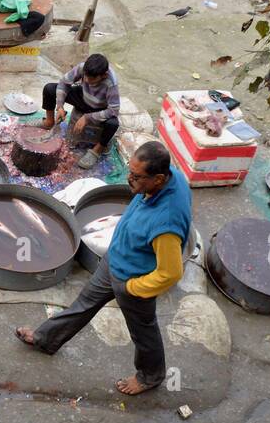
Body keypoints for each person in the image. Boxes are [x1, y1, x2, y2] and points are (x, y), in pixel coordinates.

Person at [16, 141, 191, 396]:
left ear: (159, 178)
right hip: (114, 259)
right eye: (130, 171)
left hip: (133, 280)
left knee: (143, 332)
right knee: (83, 304)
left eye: (137, 176)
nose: (129, 179)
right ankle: (46, 339)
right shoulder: (170, 179)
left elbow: (171, 273)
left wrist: (134, 288)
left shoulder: (166, 223)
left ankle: (150, 376)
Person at [40, 53, 120, 168]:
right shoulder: (83, 68)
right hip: (82, 98)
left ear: (104, 75)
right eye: (86, 76)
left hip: (100, 107)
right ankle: (49, 122)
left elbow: (114, 110)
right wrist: (60, 105)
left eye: (92, 79)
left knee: (113, 123)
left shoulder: (111, 82)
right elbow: (64, 83)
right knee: (49, 88)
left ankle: (97, 150)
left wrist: (88, 117)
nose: (87, 80)